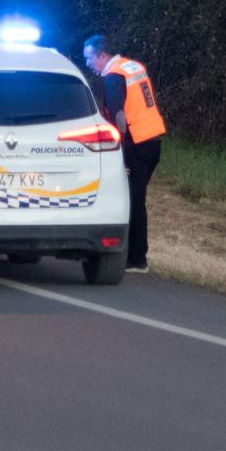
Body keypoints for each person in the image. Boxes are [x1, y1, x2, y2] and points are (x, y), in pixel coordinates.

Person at [82, 34, 165, 274]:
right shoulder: (133, 66)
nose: (88, 63)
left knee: (131, 202)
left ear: (103, 55)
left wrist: (117, 144)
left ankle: (136, 259)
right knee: (136, 199)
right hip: (153, 140)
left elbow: (118, 114)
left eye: (90, 58)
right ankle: (136, 256)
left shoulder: (113, 76)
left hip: (135, 144)